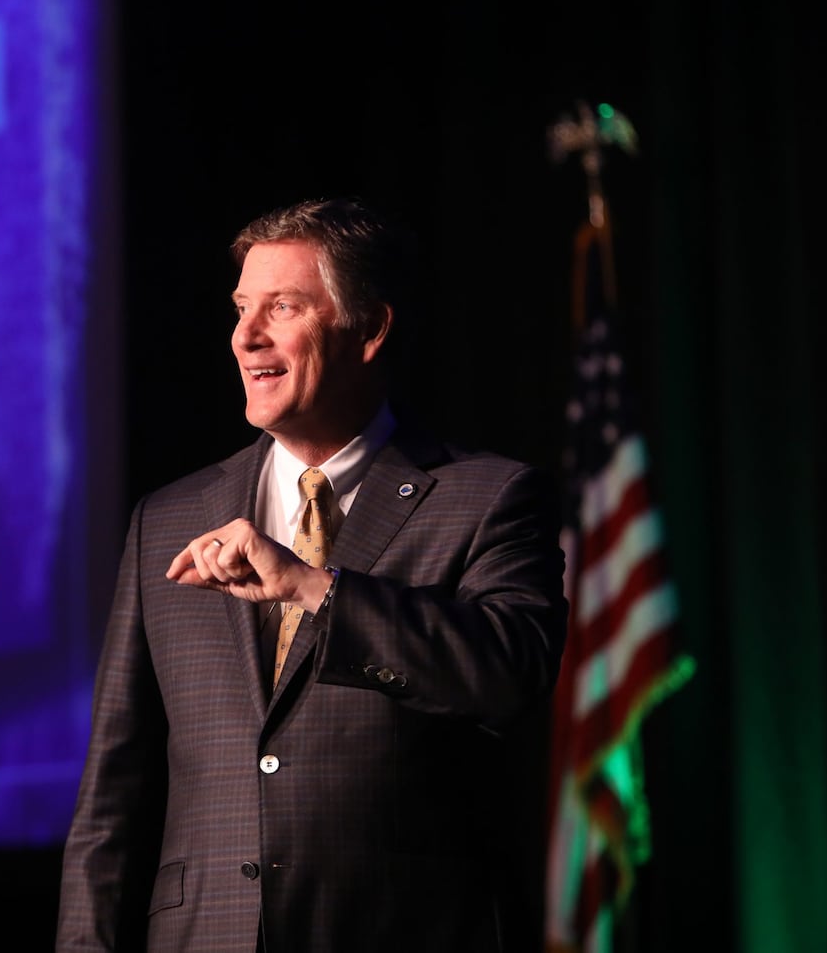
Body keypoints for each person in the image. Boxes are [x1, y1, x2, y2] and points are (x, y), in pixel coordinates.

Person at [56, 197, 568, 952]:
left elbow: (509, 673)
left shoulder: (486, 496)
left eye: (282, 306)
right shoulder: (164, 519)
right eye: (239, 308)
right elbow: (112, 796)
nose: (245, 337)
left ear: (371, 329)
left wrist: (312, 587)